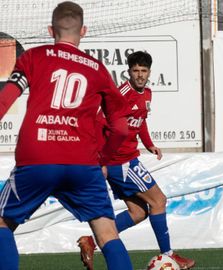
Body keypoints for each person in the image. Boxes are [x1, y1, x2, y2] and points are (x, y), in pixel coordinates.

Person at [0, 2, 133, 270]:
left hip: (38, 158)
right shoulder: (98, 70)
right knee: (107, 232)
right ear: (83, 30)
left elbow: (6, 98)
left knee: (2, 222)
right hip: (83, 164)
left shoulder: (34, 57)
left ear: (51, 29)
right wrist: (104, 161)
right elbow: (120, 128)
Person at [77, 51, 195, 270]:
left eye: (143, 71)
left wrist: (149, 143)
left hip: (126, 159)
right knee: (158, 201)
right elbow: (98, 123)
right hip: (120, 161)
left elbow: (140, 121)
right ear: (128, 72)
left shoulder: (147, 93)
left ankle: (91, 242)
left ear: (149, 72)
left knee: (138, 212)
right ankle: (168, 254)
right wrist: (101, 160)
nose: (140, 75)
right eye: (135, 71)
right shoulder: (121, 93)